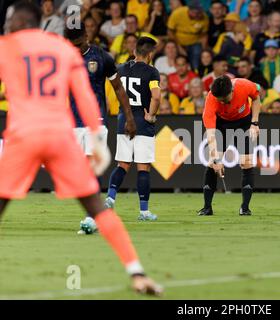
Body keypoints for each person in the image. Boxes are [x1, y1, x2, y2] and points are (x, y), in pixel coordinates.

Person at [0, 2, 161, 295]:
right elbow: (84, 95)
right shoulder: (62, 52)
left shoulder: (6, 47)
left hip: (23, 135)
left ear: (15, 22)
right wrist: (97, 136)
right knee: (96, 206)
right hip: (60, 133)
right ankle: (137, 273)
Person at [64, 24, 137, 234]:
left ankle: (92, 217)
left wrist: (129, 117)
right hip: (73, 123)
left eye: (79, 44)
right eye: (72, 45)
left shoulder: (102, 58)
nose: (76, 49)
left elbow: (118, 88)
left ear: (87, 36)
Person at [105, 37, 161, 221]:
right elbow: (156, 96)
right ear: (150, 54)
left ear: (135, 52)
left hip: (124, 121)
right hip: (142, 123)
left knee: (122, 164)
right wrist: (151, 115)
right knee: (143, 167)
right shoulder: (152, 72)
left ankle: (110, 199)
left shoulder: (121, 68)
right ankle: (144, 211)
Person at [199, 76, 261, 216]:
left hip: (244, 123)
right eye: (219, 99)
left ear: (232, 90)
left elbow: (256, 98)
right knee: (211, 164)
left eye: (225, 99)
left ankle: (245, 208)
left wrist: (254, 122)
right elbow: (211, 135)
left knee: (246, 162)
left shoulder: (244, 85)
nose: (222, 102)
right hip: (223, 126)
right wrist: (217, 160)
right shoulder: (211, 100)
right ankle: (207, 207)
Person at [167, 1, 209, 71]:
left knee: (196, 58)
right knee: (178, 57)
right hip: (178, 42)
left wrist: (204, 50)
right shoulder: (177, 13)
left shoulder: (204, 17)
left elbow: (204, 35)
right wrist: (178, 47)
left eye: (199, 12)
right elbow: (170, 31)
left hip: (194, 42)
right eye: (196, 13)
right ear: (189, 10)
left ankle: (195, 73)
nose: (198, 15)